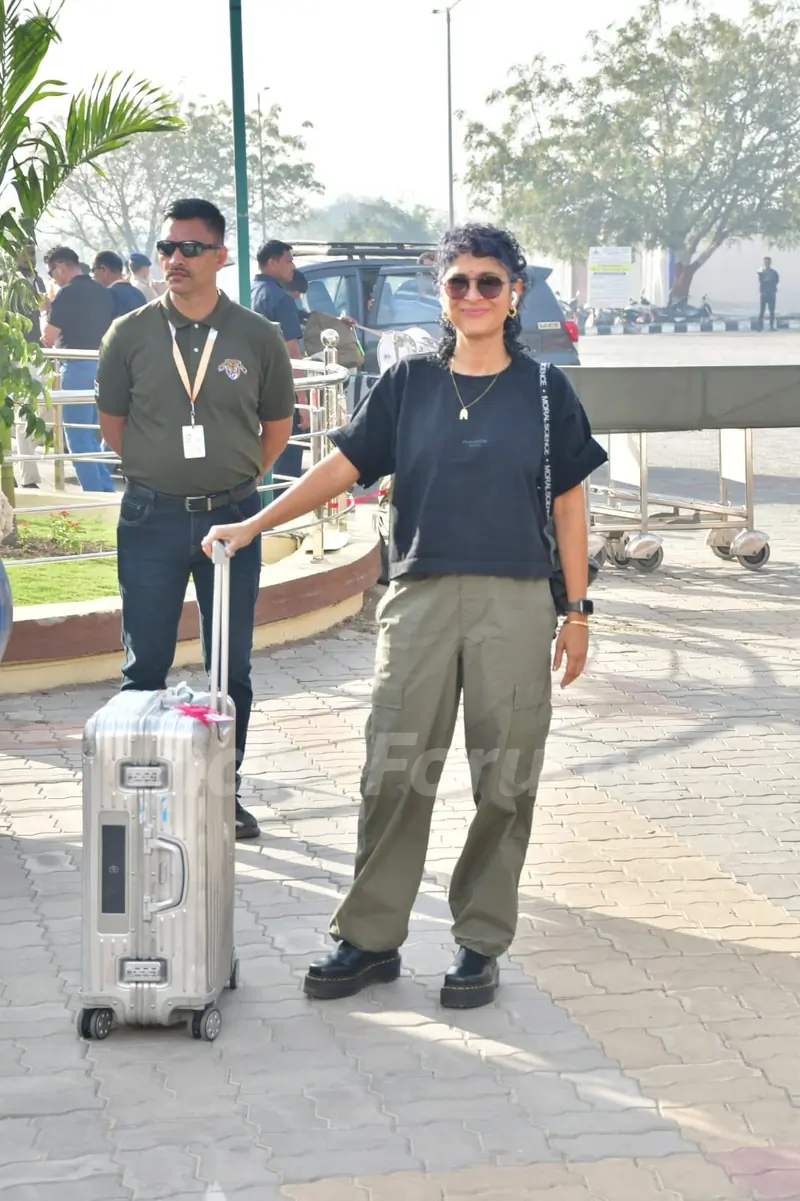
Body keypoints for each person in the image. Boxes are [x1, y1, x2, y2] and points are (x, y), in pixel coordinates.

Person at [201, 223, 607, 1008]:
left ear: (514, 293)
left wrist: (579, 611)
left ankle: (480, 940)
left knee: (506, 776)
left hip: (516, 601)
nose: (474, 294)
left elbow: (569, 504)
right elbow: (343, 466)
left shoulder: (546, 393)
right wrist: (255, 522)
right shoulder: (410, 383)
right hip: (419, 598)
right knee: (393, 767)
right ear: (442, 295)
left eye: (489, 281)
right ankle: (370, 937)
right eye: (459, 282)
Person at [95, 197, 295, 841]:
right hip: (149, 517)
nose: (174, 259)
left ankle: (221, 795)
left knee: (229, 669)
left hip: (231, 521)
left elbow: (277, 427)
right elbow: (113, 424)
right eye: (166, 248)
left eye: (189, 248)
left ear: (220, 256)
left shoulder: (256, 336)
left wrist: (237, 484)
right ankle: (142, 799)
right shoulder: (129, 333)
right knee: (143, 668)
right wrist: (161, 474)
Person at [42, 245, 116, 493]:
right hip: (103, 366)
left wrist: (46, 312)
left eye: (51, 272)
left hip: (77, 367)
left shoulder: (66, 294)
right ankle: (105, 491)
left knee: (77, 437)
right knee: (90, 435)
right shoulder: (103, 291)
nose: (53, 277)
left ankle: (94, 493)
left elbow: (48, 337)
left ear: (60, 267)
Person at [251, 241, 305, 494]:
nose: (293, 267)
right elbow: (291, 353)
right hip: (280, 392)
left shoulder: (247, 292)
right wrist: (302, 400)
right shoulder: (281, 299)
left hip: (251, 388)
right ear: (272, 262)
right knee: (287, 459)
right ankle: (281, 512)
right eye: (288, 260)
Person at [11, 243, 47, 489]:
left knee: (33, 411)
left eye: (32, 253)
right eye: (22, 252)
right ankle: (26, 476)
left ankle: (24, 471)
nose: (28, 257)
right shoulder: (7, 281)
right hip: (12, 351)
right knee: (21, 413)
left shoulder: (39, 281)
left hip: (34, 352)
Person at [92, 251, 146, 317]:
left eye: (93, 270)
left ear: (103, 269)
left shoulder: (106, 296)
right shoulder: (138, 293)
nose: (93, 276)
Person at [758, 257, 779, 331]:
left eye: (768, 262)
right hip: (764, 293)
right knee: (762, 311)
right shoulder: (761, 271)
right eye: (765, 262)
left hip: (771, 293)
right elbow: (761, 280)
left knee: (772, 311)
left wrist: (769, 281)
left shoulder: (774, 272)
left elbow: (776, 280)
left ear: (770, 263)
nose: (766, 263)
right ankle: (760, 327)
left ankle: (771, 326)